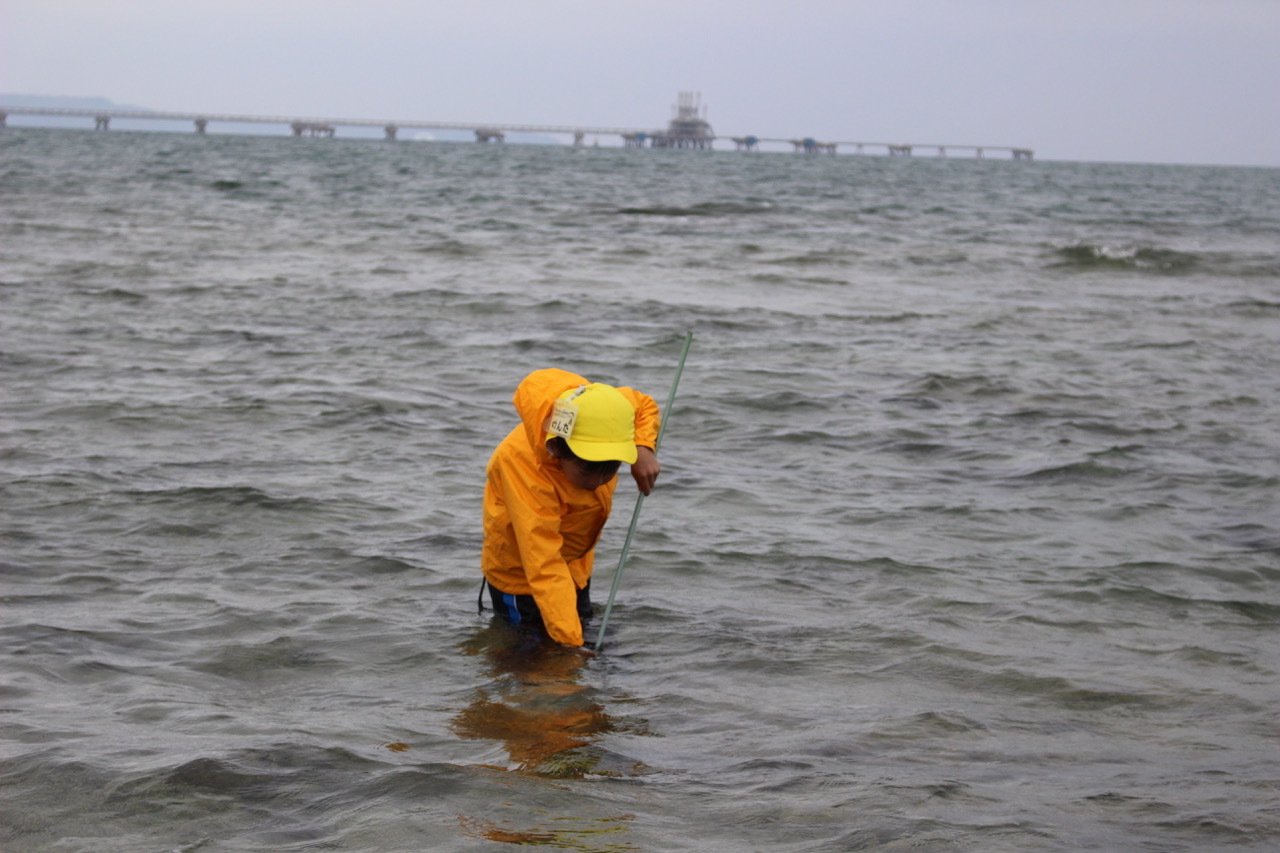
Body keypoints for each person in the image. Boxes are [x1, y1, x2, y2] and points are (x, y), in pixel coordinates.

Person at [481, 368, 661, 650]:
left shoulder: (605, 407)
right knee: (530, 657)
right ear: (558, 450)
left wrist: (642, 447)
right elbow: (544, 565)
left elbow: (642, 403)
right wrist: (572, 647)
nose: (598, 481)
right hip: (523, 579)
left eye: (611, 469)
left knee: (579, 631)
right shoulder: (524, 470)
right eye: (588, 469)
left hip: (575, 564)